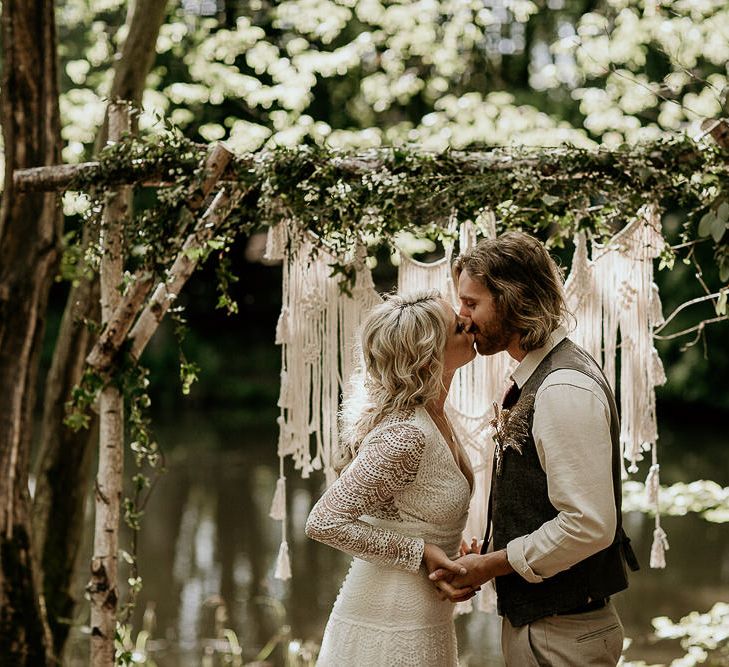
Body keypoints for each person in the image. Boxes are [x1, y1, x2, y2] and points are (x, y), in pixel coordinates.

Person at [430, 232, 639, 666]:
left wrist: (492, 566)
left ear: (513, 300)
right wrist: (490, 551)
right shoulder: (542, 373)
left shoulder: (562, 386)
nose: (462, 317)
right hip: (550, 627)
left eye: (471, 303)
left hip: (561, 633)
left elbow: (589, 524)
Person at [305, 290, 477, 666]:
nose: (470, 324)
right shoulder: (406, 434)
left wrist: (451, 546)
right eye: (457, 326)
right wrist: (421, 552)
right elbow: (324, 521)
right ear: (429, 356)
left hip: (424, 618)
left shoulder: (437, 417)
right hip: (386, 624)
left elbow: (409, 511)